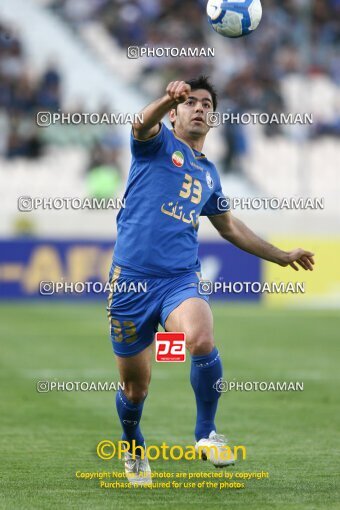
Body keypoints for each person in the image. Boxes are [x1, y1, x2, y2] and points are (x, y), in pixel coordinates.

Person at [107, 76, 315, 485]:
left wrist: (282, 255)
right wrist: (166, 100)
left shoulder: (209, 174)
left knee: (200, 338)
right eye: (192, 103)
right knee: (136, 390)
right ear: (176, 113)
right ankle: (132, 446)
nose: (199, 108)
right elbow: (139, 123)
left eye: (206, 104)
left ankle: (205, 432)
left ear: (213, 117)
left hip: (179, 279)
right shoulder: (156, 145)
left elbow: (231, 228)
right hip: (130, 284)